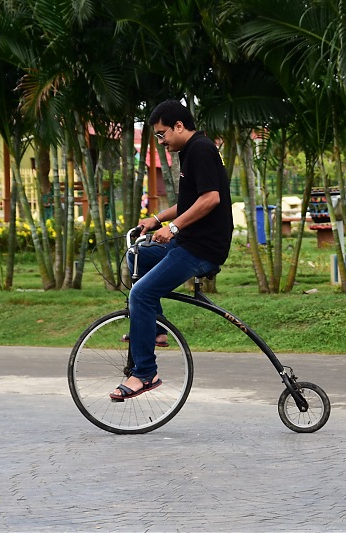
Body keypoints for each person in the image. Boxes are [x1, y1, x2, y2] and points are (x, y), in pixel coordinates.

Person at [110, 100, 233, 401]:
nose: (161, 141)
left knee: (141, 294)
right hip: (188, 242)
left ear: (179, 126)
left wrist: (174, 228)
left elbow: (211, 199)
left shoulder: (201, 150)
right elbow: (192, 201)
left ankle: (145, 373)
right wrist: (157, 219)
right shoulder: (192, 151)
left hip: (201, 248)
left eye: (162, 134)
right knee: (136, 255)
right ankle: (154, 330)